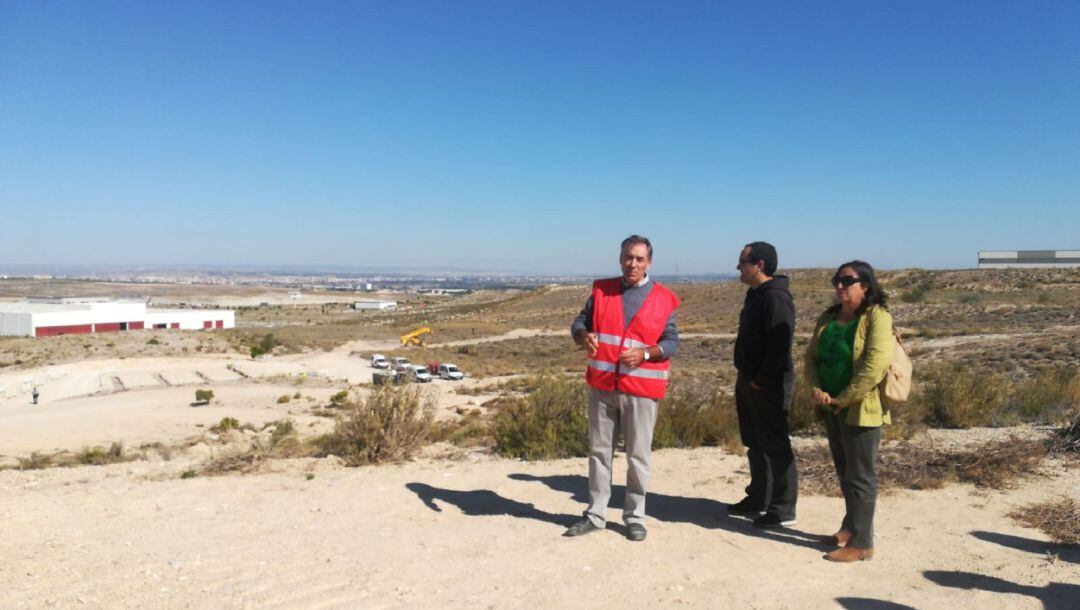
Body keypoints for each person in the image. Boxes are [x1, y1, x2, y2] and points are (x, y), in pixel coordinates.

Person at [563, 235, 680, 542]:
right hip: (603, 386)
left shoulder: (664, 299)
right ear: (620, 258)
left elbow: (671, 343)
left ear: (649, 263)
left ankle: (634, 517)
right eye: (628, 257)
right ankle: (595, 515)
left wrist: (644, 354)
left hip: (641, 389)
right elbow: (579, 322)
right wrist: (582, 335)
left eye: (640, 259)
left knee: (638, 456)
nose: (633, 264)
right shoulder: (601, 290)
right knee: (599, 453)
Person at [804, 261, 893, 562]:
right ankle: (850, 527)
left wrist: (844, 397)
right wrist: (817, 389)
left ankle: (863, 542)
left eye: (847, 280)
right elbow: (810, 358)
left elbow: (874, 366)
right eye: (837, 280)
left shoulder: (877, 318)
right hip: (831, 407)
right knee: (845, 471)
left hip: (860, 409)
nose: (839, 285)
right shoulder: (828, 317)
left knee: (861, 476)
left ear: (866, 285)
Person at [729, 241, 798, 529]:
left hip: (766, 383)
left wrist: (762, 379)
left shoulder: (775, 298)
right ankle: (759, 497)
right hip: (749, 379)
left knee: (775, 444)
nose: (738, 268)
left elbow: (780, 344)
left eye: (742, 263)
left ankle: (782, 508)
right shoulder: (755, 295)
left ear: (759, 265)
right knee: (755, 442)